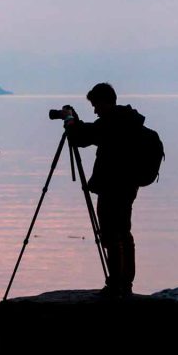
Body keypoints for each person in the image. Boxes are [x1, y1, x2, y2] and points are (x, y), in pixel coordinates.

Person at [64, 82, 146, 298]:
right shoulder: (127, 120)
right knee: (123, 232)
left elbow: (82, 137)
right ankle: (125, 283)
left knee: (110, 234)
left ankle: (115, 285)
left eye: (96, 105)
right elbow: (89, 134)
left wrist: (70, 121)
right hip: (128, 185)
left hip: (113, 187)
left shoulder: (112, 124)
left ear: (105, 102)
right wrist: (75, 123)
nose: (95, 110)